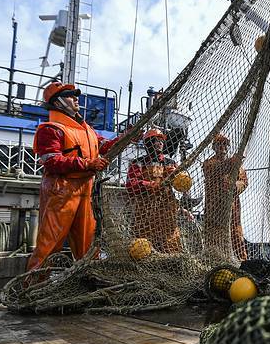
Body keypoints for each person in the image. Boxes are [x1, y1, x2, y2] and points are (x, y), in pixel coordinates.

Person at [28, 82, 120, 273]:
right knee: (49, 245)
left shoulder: (87, 130)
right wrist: (88, 164)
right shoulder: (50, 129)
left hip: (86, 190)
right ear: (57, 102)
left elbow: (104, 147)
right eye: (70, 95)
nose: (76, 98)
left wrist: (127, 137)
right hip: (61, 192)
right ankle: (33, 284)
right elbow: (52, 161)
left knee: (88, 244)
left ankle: (89, 280)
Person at [125, 128, 183, 253]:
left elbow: (182, 185)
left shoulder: (171, 163)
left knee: (171, 246)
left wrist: (176, 176)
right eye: (156, 140)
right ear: (148, 144)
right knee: (143, 248)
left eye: (161, 141)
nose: (160, 143)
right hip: (145, 212)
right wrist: (149, 185)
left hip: (166, 212)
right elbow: (130, 184)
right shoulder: (138, 163)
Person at [201, 134, 249, 260]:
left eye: (225, 144)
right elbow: (217, 169)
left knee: (236, 234)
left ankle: (241, 261)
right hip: (214, 209)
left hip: (233, 208)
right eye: (219, 144)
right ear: (214, 147)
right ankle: (214, 260)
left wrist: (235, 186)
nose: (222, 147)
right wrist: (233, 161)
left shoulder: (237, 166)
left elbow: (244, 181)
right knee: (214, 235)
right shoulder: (208, 163)